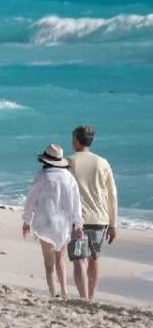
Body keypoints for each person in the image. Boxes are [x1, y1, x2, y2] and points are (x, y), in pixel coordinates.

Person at [23, 144, 85, 299]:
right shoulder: (69, 178)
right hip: (63, 223)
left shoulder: (42, 176)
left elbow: (31, 200)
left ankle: (53, 293)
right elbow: (76, 203)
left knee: (48, 263)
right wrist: (78, 225)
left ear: (46, 161)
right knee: (60, 260)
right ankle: (64, 291)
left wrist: (26, 220)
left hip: (45, 222)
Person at [68, 125, 119, 301]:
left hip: (77, 220)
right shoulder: (102, 162)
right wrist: (113, 224)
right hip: (99, 219)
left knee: (79, 259)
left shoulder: (69, 162)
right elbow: (112, 194)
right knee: (93, 258)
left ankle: (83, 297)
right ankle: (91, 297)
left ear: (76, 140)